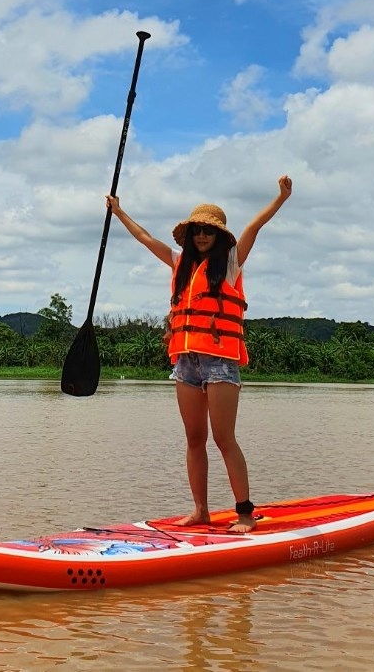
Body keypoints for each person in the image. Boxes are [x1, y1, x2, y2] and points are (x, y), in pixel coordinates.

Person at [106, 175, 293, 532]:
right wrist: (119, 212)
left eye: (208, 231)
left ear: (219, 236)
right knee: (194, 438)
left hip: (220, 361)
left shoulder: (232, 262)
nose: (202, 236)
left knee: (224, 438)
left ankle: (244, 514)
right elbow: (146, 239)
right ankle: (201, 510)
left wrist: (280, 198)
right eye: (197, 231)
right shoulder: (180, 266)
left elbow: (255, 225)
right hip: (185, 363)